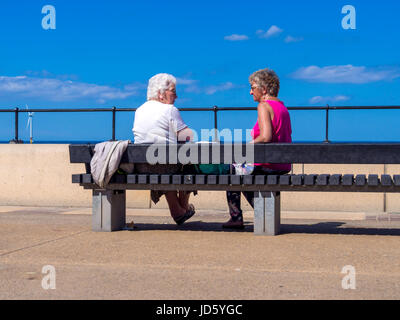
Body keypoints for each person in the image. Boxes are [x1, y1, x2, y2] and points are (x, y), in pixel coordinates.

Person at [223, 68, 292, 229]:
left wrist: (245, 146)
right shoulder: (283, 108)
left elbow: (266, 137)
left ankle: (237, 217)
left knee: (232, 170)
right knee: (240, 171)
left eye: (253, 87)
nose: (250, 92)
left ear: (264, 89)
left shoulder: (264, 106)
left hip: (268, 165)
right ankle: (263, 211)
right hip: (282, 165)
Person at [132, 73, 196, 225]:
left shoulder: (139, 110)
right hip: (166, 166)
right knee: (187, 162)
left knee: (163, 162)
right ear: (161, 93)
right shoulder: (169, 110)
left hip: (142, 167)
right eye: (173, 91)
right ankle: (183, 208)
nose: (176, 96)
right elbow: (187, 137)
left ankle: (178, 210)